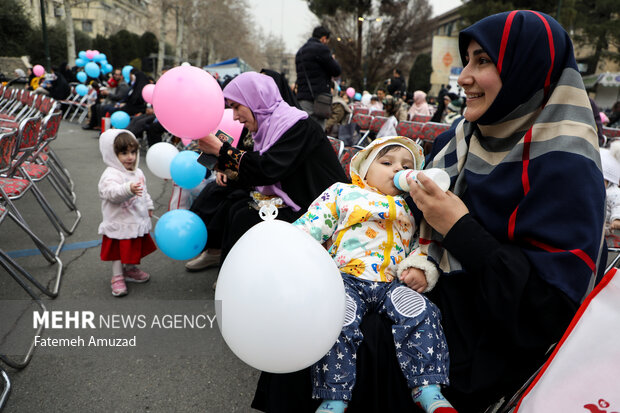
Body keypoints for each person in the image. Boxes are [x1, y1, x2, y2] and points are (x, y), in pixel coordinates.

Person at [406, 10, 606, 411]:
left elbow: (547, 310)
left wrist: (458, 226)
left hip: (486, 351)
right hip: (423, 302)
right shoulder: (459, 139)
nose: (463, 77)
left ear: (527, 71)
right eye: (467, 61)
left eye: (483, 61)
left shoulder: (566, 167)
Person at [294, 136, 455, 413]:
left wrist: (418, 267)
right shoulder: (343, 193)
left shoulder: (410, 207)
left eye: (406, 165)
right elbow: (311, 225)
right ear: (364, 168)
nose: (397, 170)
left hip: (391, 284)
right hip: (345, 278)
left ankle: (428, 388)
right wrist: (291, 246)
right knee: (337, 320)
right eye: (387, 162)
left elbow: (421, 243)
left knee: (423, 312)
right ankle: (334, 396)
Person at [186, 71, 347, 276]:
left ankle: (241, 278)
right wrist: (224, 168)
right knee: (229, 200)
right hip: (294, 195)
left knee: (244, 215)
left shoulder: (297, 125)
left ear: (255, 100)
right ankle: (228, 268)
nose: (234, 116)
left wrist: (222, 150)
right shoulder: (268, 125)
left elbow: (268, 168)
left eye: (236, 107)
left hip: (318, 205)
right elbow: (258, 171)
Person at [98, 129, 156, 297]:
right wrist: (127, 188)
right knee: (118, 251)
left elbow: (144, 192)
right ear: (112, 154)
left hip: (135, 219)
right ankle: (117, 276)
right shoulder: (110, 174)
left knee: (132, 247)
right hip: (119, 221)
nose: (130, 157)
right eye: (123, 153)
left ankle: (130, 269)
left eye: (133, 152)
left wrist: (149, 205)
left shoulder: (138, 172)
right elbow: (110, 193)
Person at [295, 26, 342, 129]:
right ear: (324, 38)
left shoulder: (300, 51)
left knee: (304, 130)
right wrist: (332, 60)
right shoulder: (321, 49)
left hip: (302, 98)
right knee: (318, 134)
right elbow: (336, 71)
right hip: (318, 100)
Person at [601, 142, 620, 232]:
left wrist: (617, 219)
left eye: (601, 180)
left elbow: (618, 205)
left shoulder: (613, 192)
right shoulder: (591, 191)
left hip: (609, 227)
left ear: (609, 181)